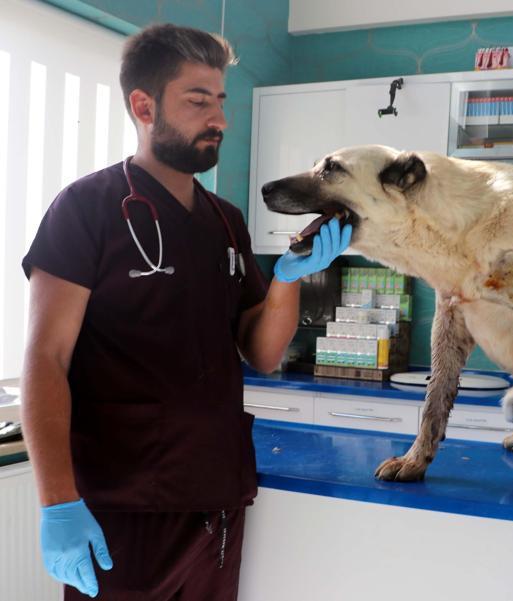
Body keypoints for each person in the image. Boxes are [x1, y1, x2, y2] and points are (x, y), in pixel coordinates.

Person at [20, 23, 351, 600]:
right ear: (143, 106)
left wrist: (288, 279)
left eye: (220, 100)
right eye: (198, 100)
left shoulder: (225, 221)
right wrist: (58, 503)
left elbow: (264, 352)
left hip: (215, 500)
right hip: (122, 504)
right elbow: (45, 359)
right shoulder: (88, 209)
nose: (219, 118)